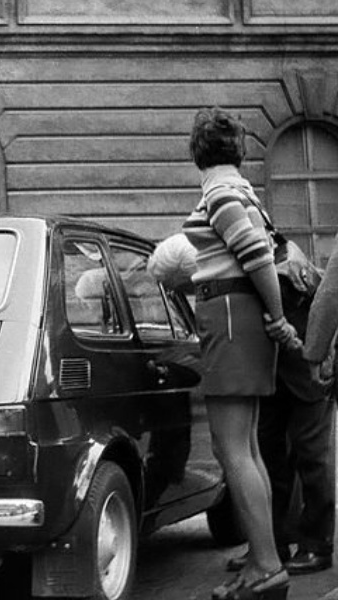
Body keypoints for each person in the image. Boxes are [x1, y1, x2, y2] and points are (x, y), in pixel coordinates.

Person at [150, 233, 336, 576]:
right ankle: (271, 544)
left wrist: (317, 358)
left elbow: (318, 308)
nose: (191, 296)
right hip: (268, 377)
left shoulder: (274, 269)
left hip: (307, 371)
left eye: (185, 288)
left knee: (313, 456)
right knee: (269, 458)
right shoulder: (248, 270)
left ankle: (317, 544)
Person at [182, 107, 299, 600]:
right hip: (240, 316)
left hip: (231, 315)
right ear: (241, 150)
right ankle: (262, 554)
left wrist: (277, 316)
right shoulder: (244, 189)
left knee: (232, 449)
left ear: (195, 152)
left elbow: (255, 255)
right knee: (246, 447)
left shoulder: (220, 191)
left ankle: (267, 568)